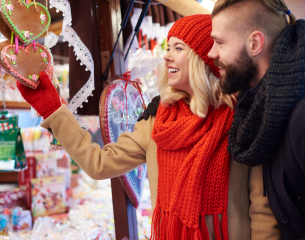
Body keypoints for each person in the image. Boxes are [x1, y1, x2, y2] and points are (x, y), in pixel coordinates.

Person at [17, 15, 251, 239]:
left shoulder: (240, 117)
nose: (167, 57)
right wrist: (54, 111)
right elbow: (99, 163)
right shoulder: (159, 120)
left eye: (178, 48)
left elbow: (262, 208)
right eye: (168, 48)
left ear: (205, 57)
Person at [207, 0, 305, 239]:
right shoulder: (260, 106)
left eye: (220, 42)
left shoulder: (299, 115)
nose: (211, 53)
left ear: (254, 43)